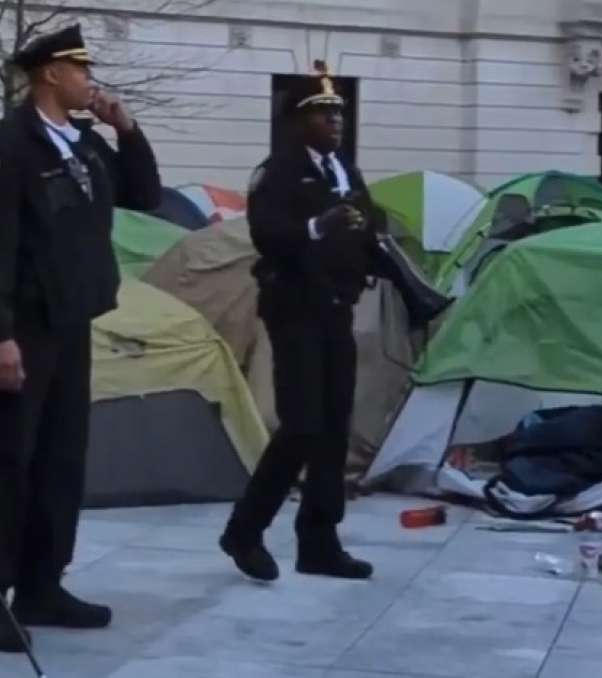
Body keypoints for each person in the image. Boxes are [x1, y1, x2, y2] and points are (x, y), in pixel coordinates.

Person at [0, 24, 161, 653]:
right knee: (11, 461)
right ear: (50, 73)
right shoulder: (8, 145)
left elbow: (145, 194)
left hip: (73, 322)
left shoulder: (85, 143)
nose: (90, 81)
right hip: (25, 326)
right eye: (81, 70)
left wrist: (126, 129)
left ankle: (43, 584)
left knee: (61, 460)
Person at [219, 64, 385, 583]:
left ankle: (319, 541)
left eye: (339, 113)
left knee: (335, 428)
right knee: (302, 426)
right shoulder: (278, 172)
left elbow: (366, 226)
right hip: (295, 311)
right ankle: (245, 530)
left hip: (337, 308)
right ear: (299, 121)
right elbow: (272, 235)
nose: (336, 121)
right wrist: (321, 224)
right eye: (324, 114)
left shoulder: (344, 170)